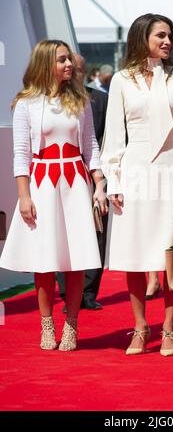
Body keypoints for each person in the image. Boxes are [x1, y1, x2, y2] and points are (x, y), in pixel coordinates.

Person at [100, 13, 173, 356]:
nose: (167, 42)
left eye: (170, 36)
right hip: (134, 171)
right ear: (142, 37)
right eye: (160, 35)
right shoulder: (121, 80)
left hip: (171, 171)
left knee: (171, 254)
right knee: (133, 254)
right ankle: (140, 328)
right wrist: (113, 179)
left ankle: (170, 329)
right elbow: (114, 133)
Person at [0, 40, 104, 351]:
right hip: (42, 186)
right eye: (62, 60)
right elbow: (20, 155)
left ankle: (71, 325)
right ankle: (47, 325)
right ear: (47, 63)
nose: (69, 65)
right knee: (44, 262)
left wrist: (99, 184)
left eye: (69, 60)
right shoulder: (26, 104)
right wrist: (24, 196)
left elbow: (91, 147)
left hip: (75, 185)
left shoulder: (80, 101)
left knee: (76, 261)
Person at [57, 53, 109, 312]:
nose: (72, 73)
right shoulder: (49, 100)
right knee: (63, 233)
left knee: (96, 233)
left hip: (95, 173)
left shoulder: (99, 99)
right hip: (60, 174)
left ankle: (88, 292)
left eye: (77, 69)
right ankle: (67, 292)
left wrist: (101, 177)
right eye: (69, 68)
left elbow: (106, 137)